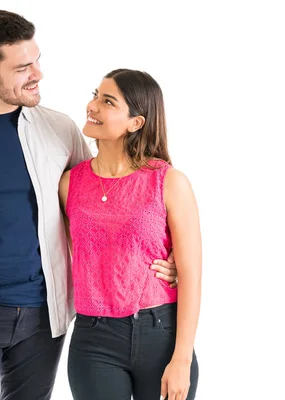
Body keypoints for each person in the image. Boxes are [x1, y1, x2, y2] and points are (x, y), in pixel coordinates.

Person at [0, 10, 178, 400]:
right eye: (22, 67)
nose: (38, 74)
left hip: (44, 318)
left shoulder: (59, 129)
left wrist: (168, 255)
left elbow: (108, 202)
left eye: (37, 60)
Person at [59, 69, 202, 400]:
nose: (92, 106)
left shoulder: (168, 182)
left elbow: (192, 276)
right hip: (93, 340)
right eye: (95, 95)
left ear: (135, 123)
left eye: (107, 101)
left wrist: (181, 358)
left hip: (161, 335)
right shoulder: (69, 185)